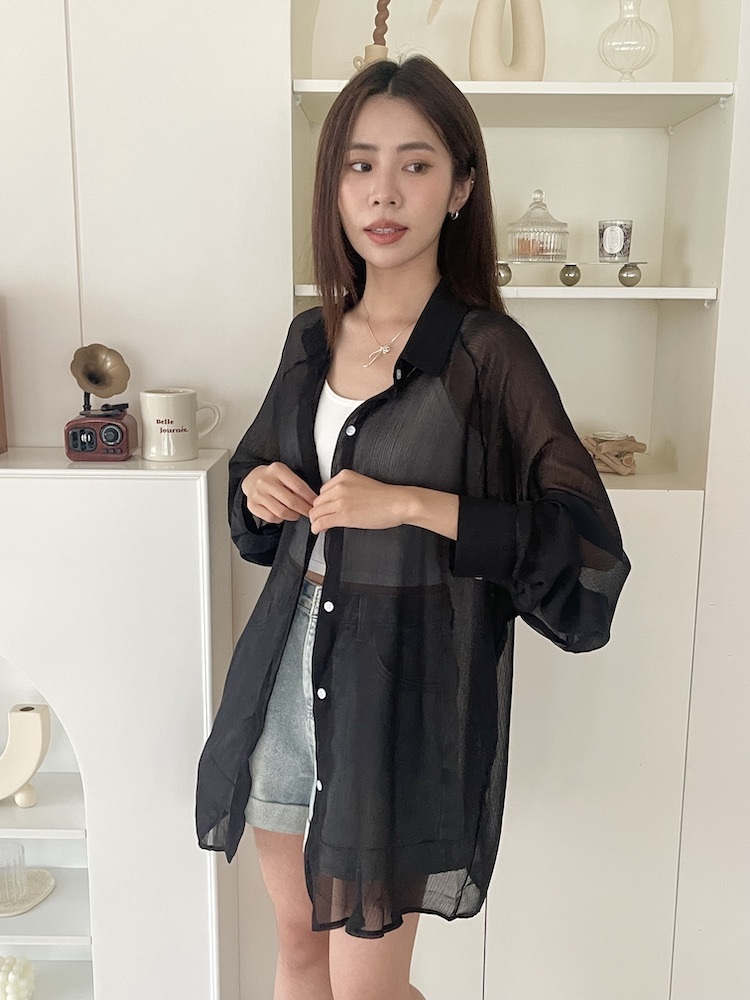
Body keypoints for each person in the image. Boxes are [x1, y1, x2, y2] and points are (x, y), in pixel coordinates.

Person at [195, 54, 630, 1000]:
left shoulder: (487, 354)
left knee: (369, 987)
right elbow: (250, 492)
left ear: (461, 186)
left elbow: (585, 547)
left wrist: (412, 505)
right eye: (359, 164)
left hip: (402, 684)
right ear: (334, 185)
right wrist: (260, 487)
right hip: (287, 667)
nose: (383, 192)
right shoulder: (312, 336)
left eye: (415, 164)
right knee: (300, 949)